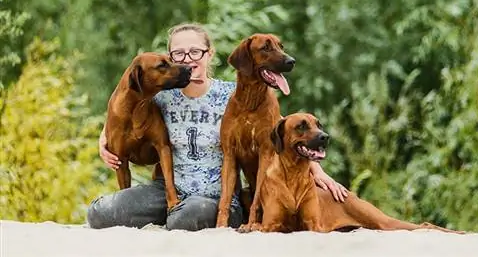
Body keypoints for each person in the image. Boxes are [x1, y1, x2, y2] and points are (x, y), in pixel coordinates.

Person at [87, 23, 348, 231]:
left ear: (209, 53)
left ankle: (189, 218)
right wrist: (104, 139)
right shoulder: (162, 95)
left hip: (215, 197)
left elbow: (282, 130)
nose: (188, 59)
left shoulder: (232, 96)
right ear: (171, 58)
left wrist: (316, 168)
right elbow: (125, 108)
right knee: (100, 213)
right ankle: (165, 215)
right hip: (168, 192)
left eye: (196, 52)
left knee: (187, 218)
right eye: (179, 53)